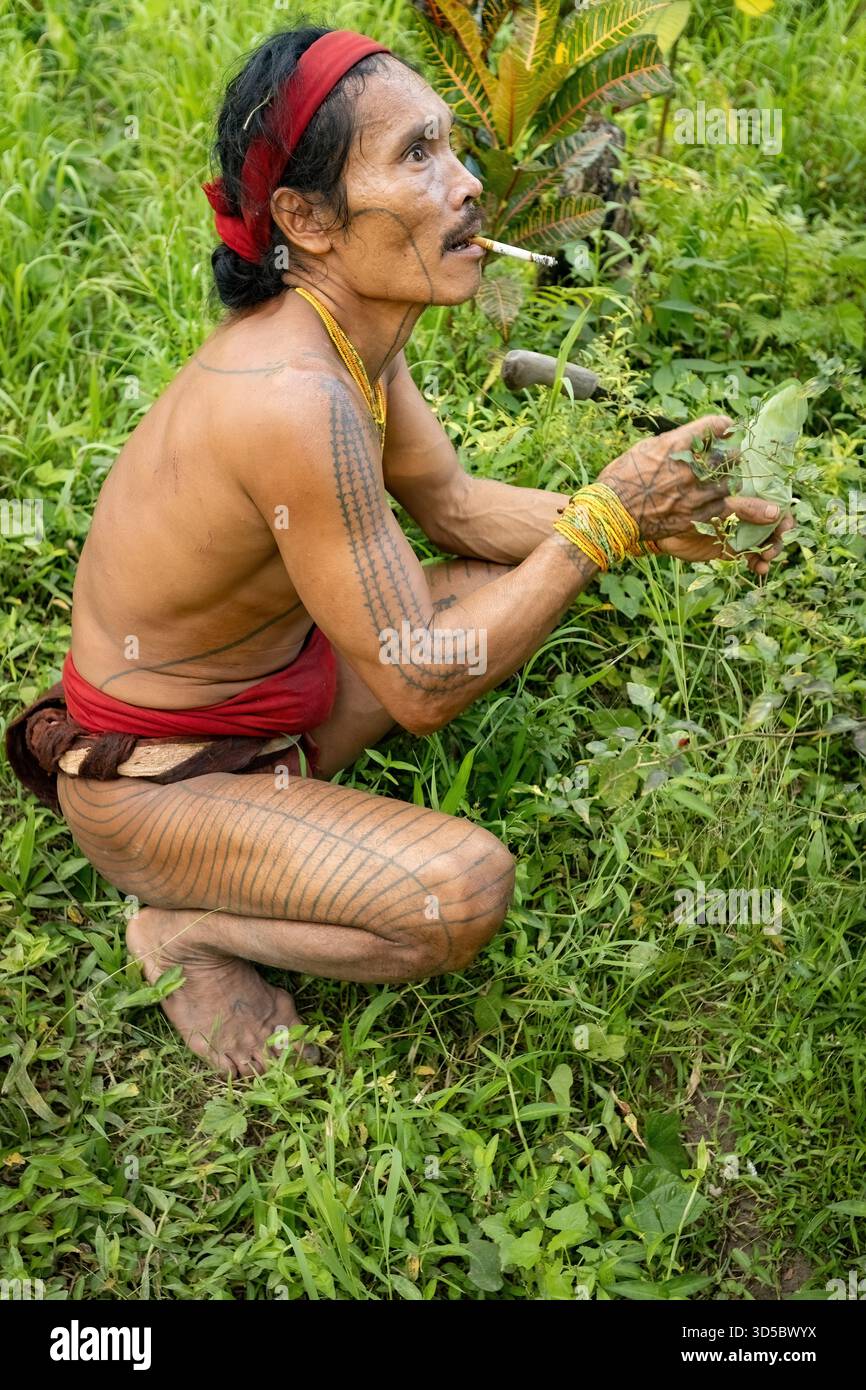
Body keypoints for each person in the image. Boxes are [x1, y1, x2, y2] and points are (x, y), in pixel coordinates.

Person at [7, 26, 792, 1077]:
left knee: (491, 580)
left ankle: (261, 827)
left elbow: (457, 508)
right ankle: (183, 933)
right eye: (416, 156)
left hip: (270, 710)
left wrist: (648, 520)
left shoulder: (351, 333)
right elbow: (422, 684)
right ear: (306, 220)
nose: (465, 183)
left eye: (452, 147)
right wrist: (599, 522)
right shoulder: (293, 401)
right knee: (456, 890)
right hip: (157, 787)